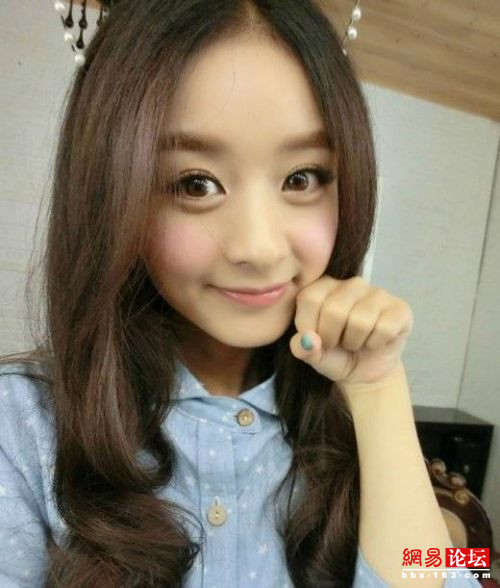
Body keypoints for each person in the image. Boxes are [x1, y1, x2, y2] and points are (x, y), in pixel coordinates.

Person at [0, 0, 484, 586]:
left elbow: (458, 569)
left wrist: (380, 390)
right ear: (111, 193)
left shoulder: (354, 409)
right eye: (195, 184)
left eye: (301, 178)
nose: (258, 247)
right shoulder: (21, 425)